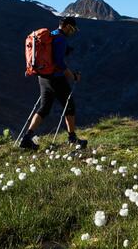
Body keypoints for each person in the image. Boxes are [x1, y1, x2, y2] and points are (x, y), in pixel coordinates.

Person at [19, 16, 87, 150]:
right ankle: (72, 138)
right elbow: (59, 63)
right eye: (72, 29)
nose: (72, 32)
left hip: (43, 76)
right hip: (55, 78)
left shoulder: (52, 35)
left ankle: (27, 138)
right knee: (69, 106)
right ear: (67, 26)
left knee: (44, 108)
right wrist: (73, 76)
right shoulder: (61, 39)